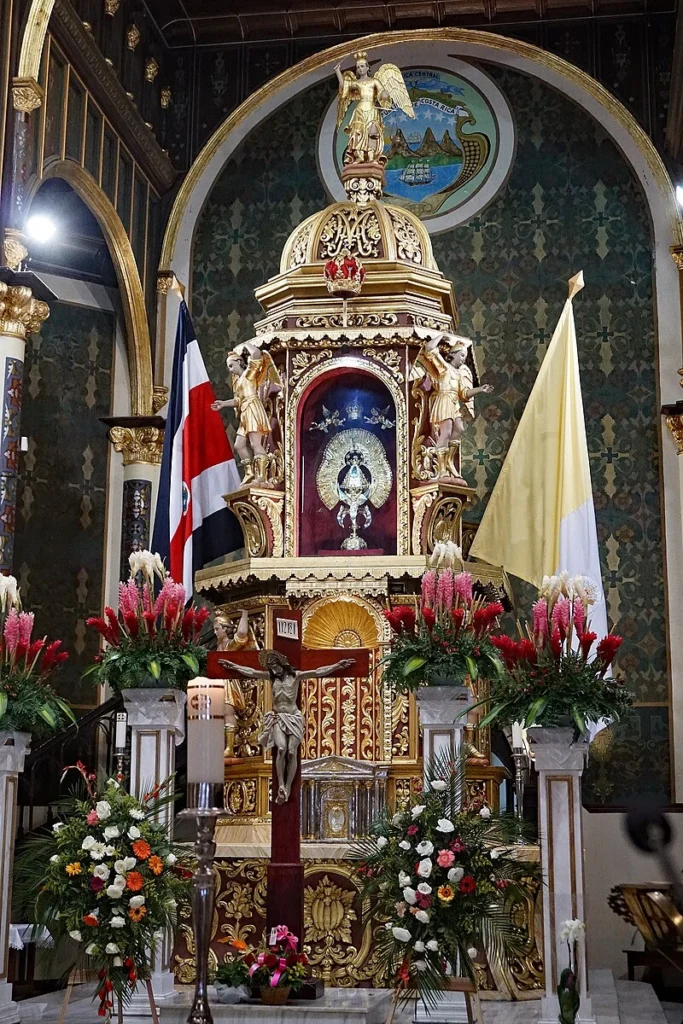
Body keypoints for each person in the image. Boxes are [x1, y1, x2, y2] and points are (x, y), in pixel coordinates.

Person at [219, 650, 355, 804]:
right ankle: (281, 785)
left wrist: (337, 665)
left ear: (281, 663)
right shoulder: (271, 678)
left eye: (274, 664)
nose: (272, 668)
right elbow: (251, 672)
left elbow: (317, 672)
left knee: (291, 752)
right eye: (269, 666)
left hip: (294, 718)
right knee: (281, 749)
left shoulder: (295, 676)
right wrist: (234, 666)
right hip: (279, 717)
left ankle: (288, 787)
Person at [417, 333, 494, 482]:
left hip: (453, 403)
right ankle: (441, 469)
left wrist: (480, 389)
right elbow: (429, 348)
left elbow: (464, 394)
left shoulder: (459, 374)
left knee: (459, 430)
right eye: (461, 355)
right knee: (445, 432)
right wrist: (441, 334)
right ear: (453, 355)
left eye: (465, 356)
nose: (464, 358)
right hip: (444, 399)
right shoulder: (444, 367)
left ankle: (449, 462)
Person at [211, 341, 278, 485]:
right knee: (239, 445)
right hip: (245, 411)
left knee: (255, 443)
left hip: (253, 408)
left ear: (238, 362)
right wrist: (223, 404)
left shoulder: (249, 374)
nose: (230, 370)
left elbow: (256, 355)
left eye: (231, 366)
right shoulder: (238, 381)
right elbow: (237, 400)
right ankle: (249, 473)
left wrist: (246, 344)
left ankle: (261, 477)